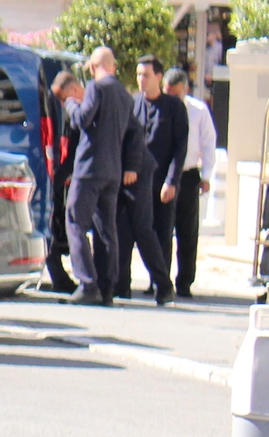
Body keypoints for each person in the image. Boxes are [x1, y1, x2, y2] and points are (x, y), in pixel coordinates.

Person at [64, 49, 139, 305]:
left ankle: (87, 284)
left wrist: (71, 104)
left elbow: (83, 120)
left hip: (89, 168)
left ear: (95, 66)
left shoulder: (97, 88)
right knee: (107, 230)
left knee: (74, 221)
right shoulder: (125, 95)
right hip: (112, 171)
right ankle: (107, 289)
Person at [114, 57, 179, 304]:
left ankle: (163, 284)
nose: (141, 79)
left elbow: (179, 146)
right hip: (130, 176)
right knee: (122, 229)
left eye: (146, 74)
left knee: (145, 231)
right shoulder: (133, 103)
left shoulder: (173, 107)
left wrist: (172, 180)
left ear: (159, 76)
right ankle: (121, 285)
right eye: (139, 74)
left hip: (148, 175)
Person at [168, 67, 218, 298]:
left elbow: (208, 144)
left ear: (185, 90)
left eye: (176, 94)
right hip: (163, 175)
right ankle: (160, 278)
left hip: (187, 176)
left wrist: (206, 175)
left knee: (187, 230)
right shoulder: (159, 107)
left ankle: (185, 281)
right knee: (161, 229)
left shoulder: (198, 111)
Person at [42, 70, 83, 292]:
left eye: (62, 98)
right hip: (64, 176)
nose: (59, 103)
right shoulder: (68, 110)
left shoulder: (83, 110)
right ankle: (62, 278)